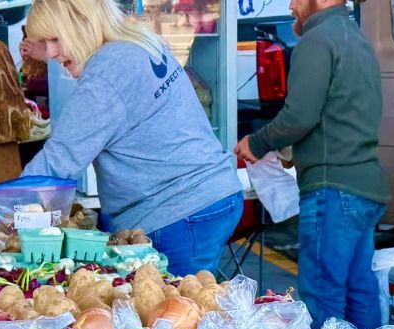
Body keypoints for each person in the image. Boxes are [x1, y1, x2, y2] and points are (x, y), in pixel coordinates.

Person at [20, 0, 242, 277]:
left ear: (81, 24)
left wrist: (0, 210)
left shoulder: (106, 73)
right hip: (211, 192)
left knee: (173, 314)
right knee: (190, 304)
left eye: (55, 39)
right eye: (45, 42)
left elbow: (60, 159)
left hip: (176, 210)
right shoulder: (137, 42)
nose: (51, 53)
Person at [234, 0, 388, 329]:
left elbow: (299, 116)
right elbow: (336, 113)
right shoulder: (354, 37)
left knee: (322, 295)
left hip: (333, 189)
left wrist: (256, 143)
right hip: (364, 187)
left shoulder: (317, 41)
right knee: (359, 288)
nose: (290, 6)